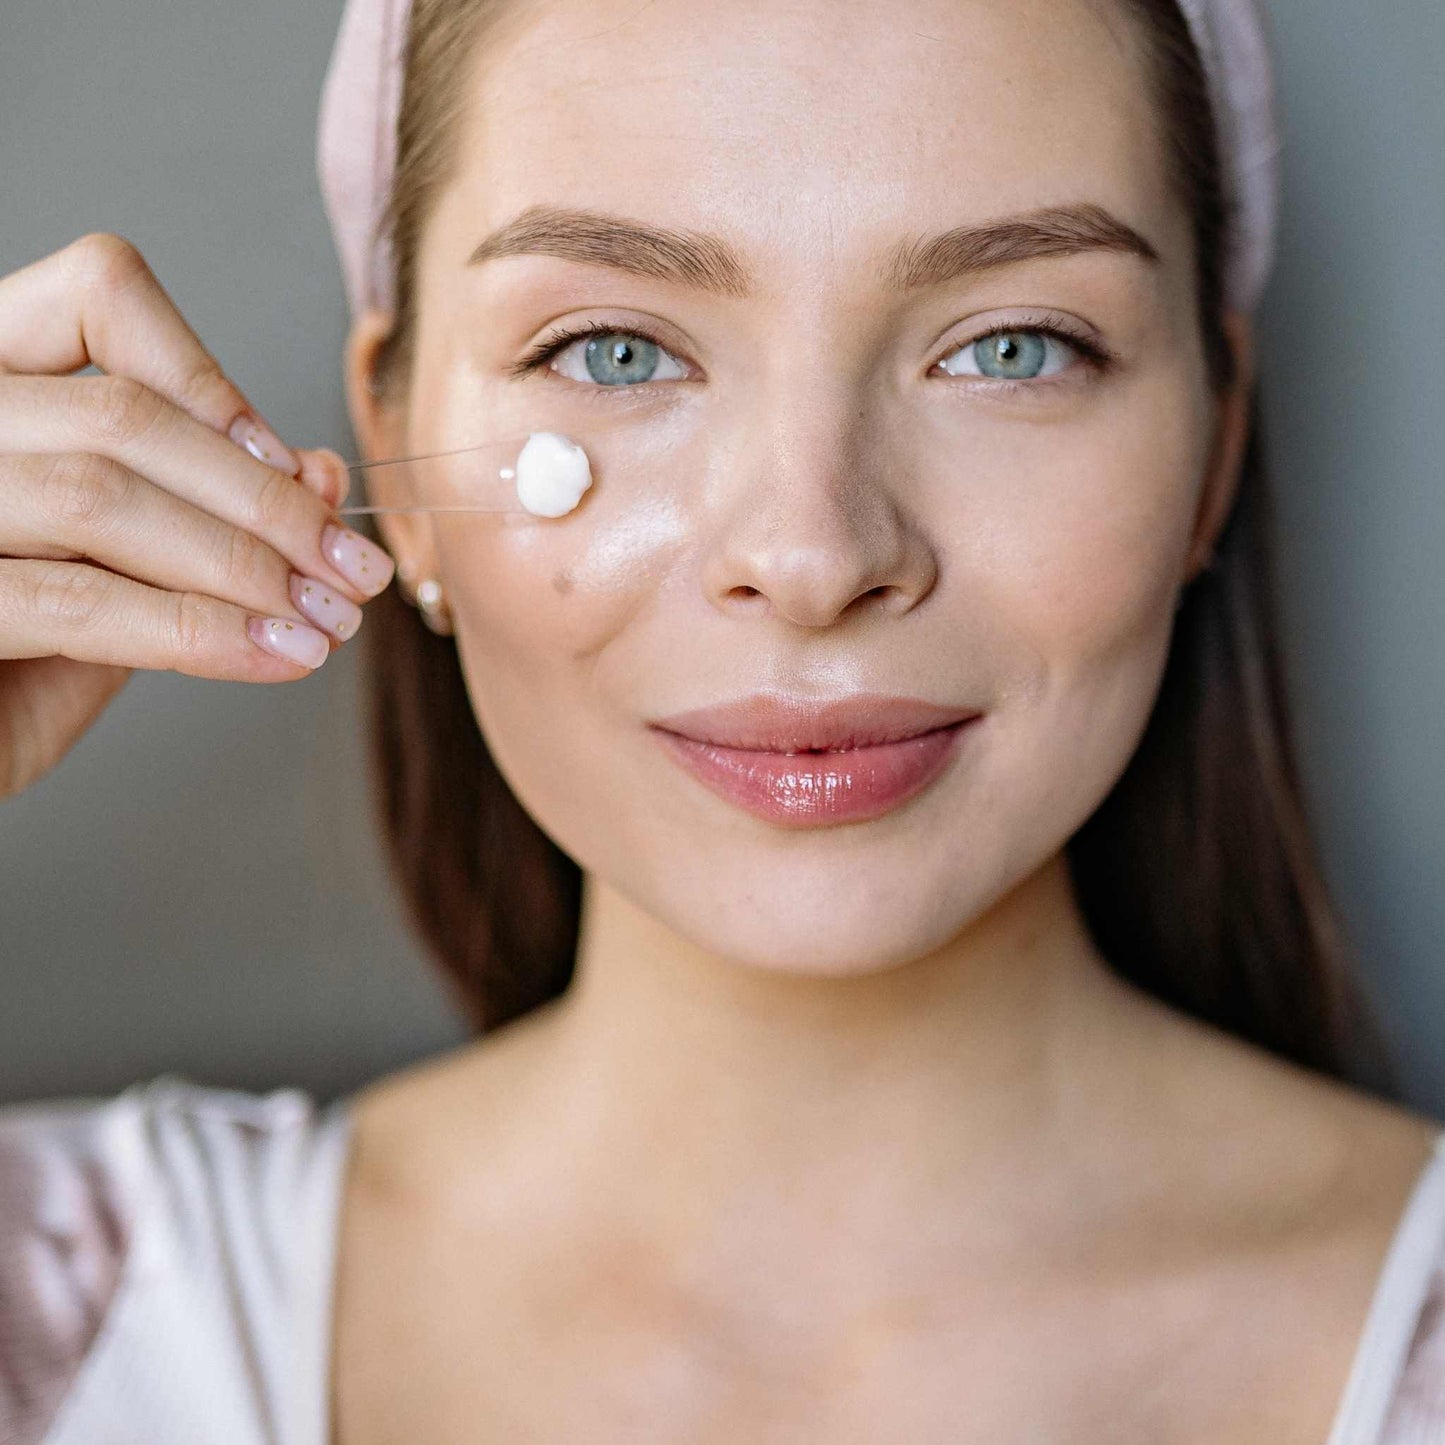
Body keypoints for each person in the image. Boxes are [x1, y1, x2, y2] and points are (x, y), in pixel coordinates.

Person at [1, 0, 1441, 1440]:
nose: (814, 557)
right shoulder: (59, 1318)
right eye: (615, 351)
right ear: (388, 436)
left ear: (1212, 449)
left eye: (1011, 347)